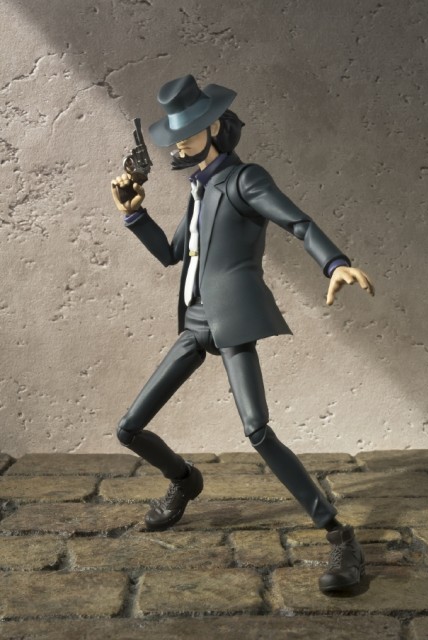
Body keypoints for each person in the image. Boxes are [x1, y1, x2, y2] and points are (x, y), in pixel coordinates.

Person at [111, 74, 374, 592]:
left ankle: (339, 535)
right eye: (175, 136)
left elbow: (297, 223)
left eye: (188, 133)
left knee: (257, 430)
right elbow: (172, 254)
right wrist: (134, 214)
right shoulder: (198, 188)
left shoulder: (244, 180)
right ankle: (185, 479)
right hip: (194, 324)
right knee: (129, 429)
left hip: (231, 323)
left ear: (214, 127)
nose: (179, 144)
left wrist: (334, 263)